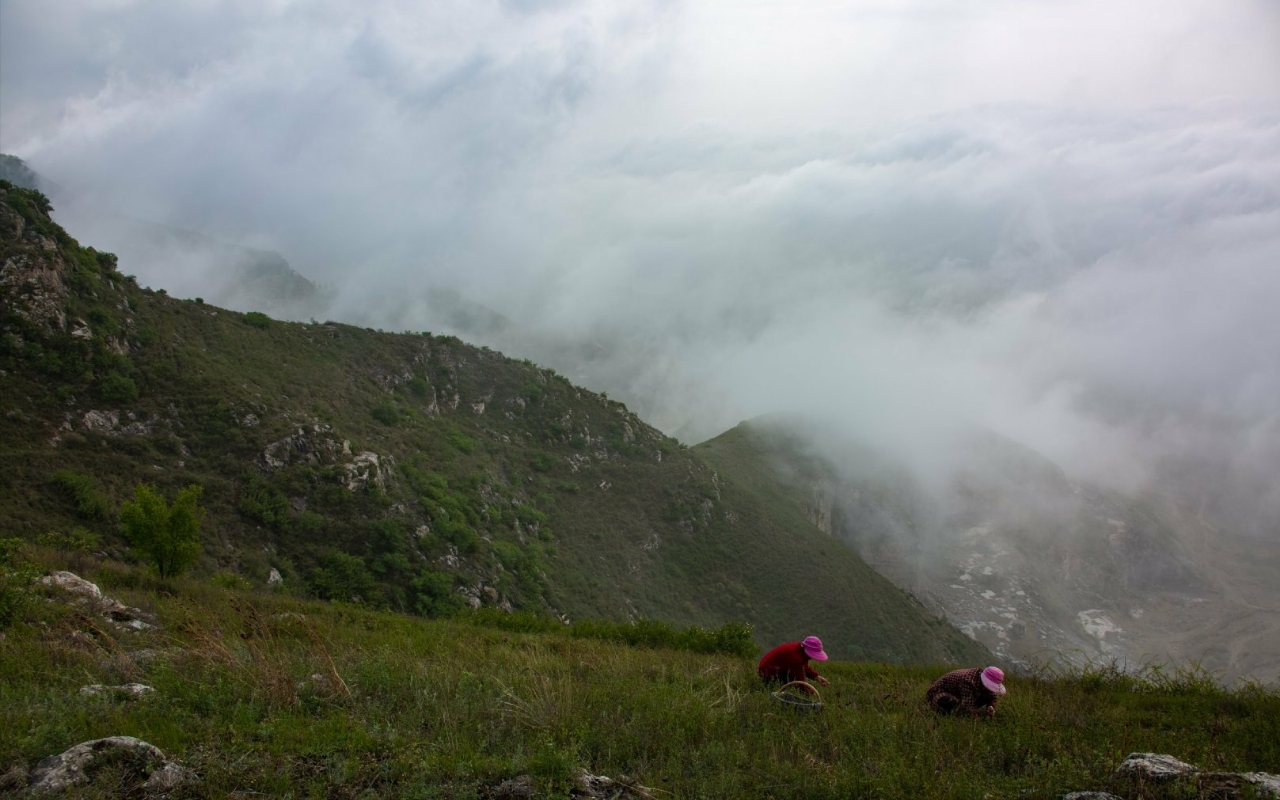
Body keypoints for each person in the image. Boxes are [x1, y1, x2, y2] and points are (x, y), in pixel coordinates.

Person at [925, 666, 1006, 717]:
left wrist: (990, 707)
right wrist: (977, 718)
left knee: (986, 696)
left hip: (958, 695)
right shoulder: (968, 681)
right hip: (940, 693)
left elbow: (992, 697)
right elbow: (966, 708)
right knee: (949, 704)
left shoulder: (983, 683)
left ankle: (960, 709)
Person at [758, 636, 830, 687]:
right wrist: (811, 694)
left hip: (770, 668)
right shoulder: (796, 658)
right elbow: (800, 683)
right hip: (768, 673)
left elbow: (803, 666)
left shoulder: (799, 649)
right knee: (791, 684)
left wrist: (816, 677)